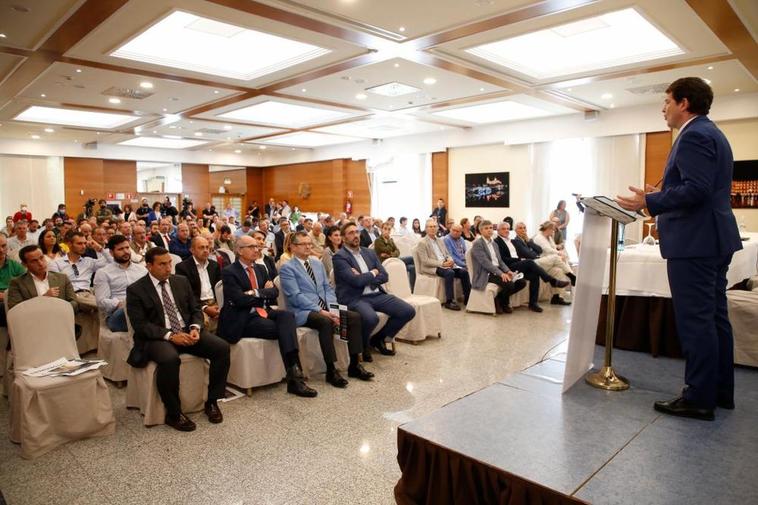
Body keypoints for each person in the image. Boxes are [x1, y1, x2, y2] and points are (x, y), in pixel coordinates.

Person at [616, 77, 741, 421]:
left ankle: (698, 398)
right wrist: (656, 195)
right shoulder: (712, 132)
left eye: (667, 101)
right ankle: (719, 391)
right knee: (715, 318)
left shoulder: (695, 135)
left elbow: (696, 189)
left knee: (696, 321)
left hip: (695, 243)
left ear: (684, 102)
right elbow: (697, 187)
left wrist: (650, 201)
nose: (663, 108)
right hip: (712, 239)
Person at [126, 247, 230, 431]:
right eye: (162, 264)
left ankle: (212, 401)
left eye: (169, 263)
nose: (168, 268)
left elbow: (195, 309)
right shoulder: (136, 290)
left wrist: (195, 328)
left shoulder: (180, 281)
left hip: (186, 330)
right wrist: (171, 336)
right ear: (149, 266)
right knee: (169, 359)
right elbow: (141, 325)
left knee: (221, 348)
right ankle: (173, 413)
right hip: (158, 337)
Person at [217, 235, 316, 397]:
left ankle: (293, 373)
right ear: (239, 251)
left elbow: (274, 293)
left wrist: (255, 292)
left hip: (263, 311)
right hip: (242, 319)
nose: (257, 250)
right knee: (283, 328)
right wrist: (263, 293)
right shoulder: (229, 272)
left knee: (287, 317)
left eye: (257, 246)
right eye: (251, 247)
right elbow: (239, 300)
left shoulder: (260, 268)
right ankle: (295, 376)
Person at [280, 231, 374, 388]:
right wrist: (320, 310)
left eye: (310, 243)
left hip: (325, 307)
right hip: (303, 311)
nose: (308, 247)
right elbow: (295, 296)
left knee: (354, 317)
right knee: (325, 321)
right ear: (293, 247)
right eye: (304, 244)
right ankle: (331, 369)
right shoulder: (287, 268)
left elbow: (327, 288)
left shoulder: (316, 263)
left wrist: (333, 308)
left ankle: (354, 365)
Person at [332, 222, 415, 361]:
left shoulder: (369, 252)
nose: (355, 236)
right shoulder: (340, 257)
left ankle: (378, 339)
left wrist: (366, 277)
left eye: (356, 232)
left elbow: (384, 275)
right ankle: (363, 346)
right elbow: (355, 282)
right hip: (355, 298)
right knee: (371, 318)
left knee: (408, 311)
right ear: (343, 238)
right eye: (350, 233)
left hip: (376, 294)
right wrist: (373, 273)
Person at [493, 222, 569, 312]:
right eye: (503, 229)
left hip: (518, 264)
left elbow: (538, 251)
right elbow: (503, 259)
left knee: (534, 275)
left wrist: (527, 244)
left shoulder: (511, 240)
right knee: (530, 262)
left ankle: (533, 304)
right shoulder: (497, 242)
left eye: (507, 229)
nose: (506, 231)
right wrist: (520, 260)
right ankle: (552, 280)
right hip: (508, 266)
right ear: (498, 231)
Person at [469, 221, 526, 314]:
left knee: (521, 282)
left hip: (497, 270)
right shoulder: (477, 244)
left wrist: (508, 271)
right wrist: (501, 273)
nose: (489, 230)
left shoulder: (494, 243)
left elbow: (500, 261)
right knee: (509, 284)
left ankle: (499, 299)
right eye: (486, 228)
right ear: (481, 230)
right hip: (485, 273)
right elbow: (485, 263)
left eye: (491, 228)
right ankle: (503, 303)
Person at [94, 235, 147, 332]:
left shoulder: (141, 270)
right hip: (118, 313)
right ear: (111, 252)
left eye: (127, 248)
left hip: (142, 308)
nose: (126, 251)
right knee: (129, 312)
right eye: (120, 249)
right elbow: (101, 301)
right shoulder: (103, 273)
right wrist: (120, 304)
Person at [513, 222, 574, 305]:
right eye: (520, 228)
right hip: (529, 265)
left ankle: (556, 297)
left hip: (536, 262)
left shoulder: (527, 240)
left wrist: (528, 241)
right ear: (515, 230)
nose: (523, 230)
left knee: (558, 270)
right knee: (556, 257)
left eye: (524, 228)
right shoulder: (515, 241)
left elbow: (539, 250)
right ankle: (571, 276)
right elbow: (529, 254)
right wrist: (534, 253)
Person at [417, 220, 471, 310]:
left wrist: (450, 260)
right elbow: (425, 261)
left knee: (464, 272)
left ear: (438, 228)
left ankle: (468, 298)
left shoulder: (440, 240)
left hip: (445, 264)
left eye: (434, 226)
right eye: (430, 227)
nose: (433, 228)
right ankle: (449, 301)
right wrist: (442, 263)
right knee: (449, 273)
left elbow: (447, 254)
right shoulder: (422, 243)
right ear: (426, 229)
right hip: (433, 266)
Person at [7, 245, 78, 312]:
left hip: (60, 319)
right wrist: (42, 299)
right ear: (25, 264)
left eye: (41, 258)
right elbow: (15, 310)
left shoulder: (62, 278)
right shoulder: (17, 283)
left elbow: (74, 303)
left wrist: (59, 309)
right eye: (34, 261)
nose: (40, 263)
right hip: (33, 322)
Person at [175, 237, 222, 332]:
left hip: (216, 303)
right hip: (197, 305)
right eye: (201, 248)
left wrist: (219, 304)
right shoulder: (183, 267)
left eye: (207, 247)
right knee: (203, 324)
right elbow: (186, 294)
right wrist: (205, 308)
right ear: (192, 250)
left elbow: (219, 288)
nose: (205, 250)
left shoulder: (214, 265)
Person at [374, 222, 415, 288]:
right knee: (411, 258)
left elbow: (397, 251)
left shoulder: (390, 240)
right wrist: (391, 245)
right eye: (385, 229)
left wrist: (390, 254)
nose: (387, 231)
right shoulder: (378, 240)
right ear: (381, 229)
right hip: (385, 262)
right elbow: (386, 250)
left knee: (412, 267)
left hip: (393, 259)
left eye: (389, 229)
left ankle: (412, 288)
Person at [0, 235, 26, 328]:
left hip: (11, 299)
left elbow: (27, 285)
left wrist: (7, 296)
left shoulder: (15, 265)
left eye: (3, 246)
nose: (1, 250)